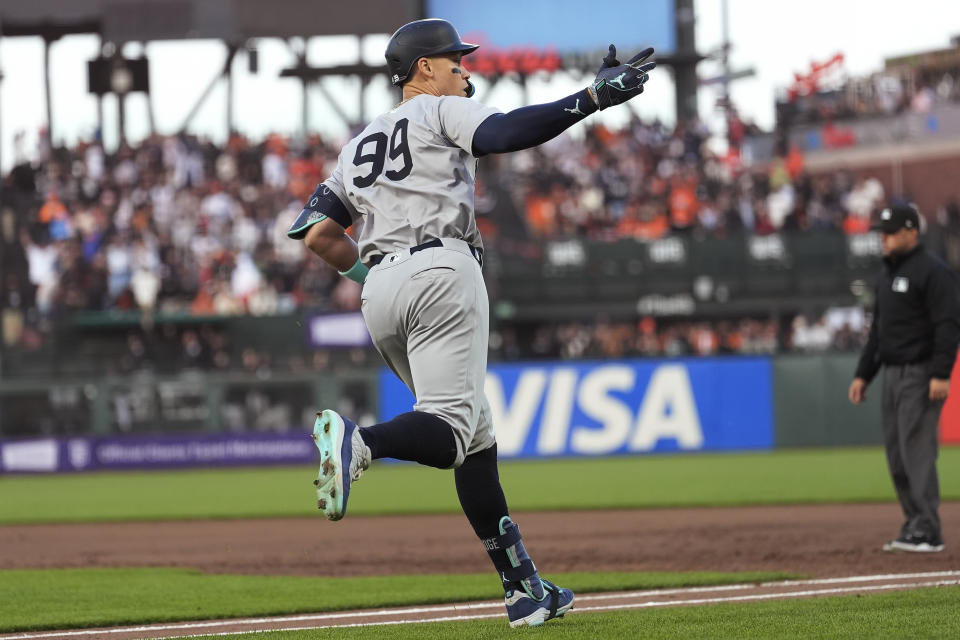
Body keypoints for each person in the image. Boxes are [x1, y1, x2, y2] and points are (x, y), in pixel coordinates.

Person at [286, 18, 655, 627]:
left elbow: (317, 234)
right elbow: (506, 131)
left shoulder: (358, 146)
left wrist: (373, 278)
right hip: (441, 271)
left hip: (380, 291)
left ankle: (523, 589)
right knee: (452, 431)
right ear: (424, 69)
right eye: (456, 62)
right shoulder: (434, 109)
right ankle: (361, 443)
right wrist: (591, 98)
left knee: (474, 442)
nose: (466, 71)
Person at [848, 204, 960, 553]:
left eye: (890, 232)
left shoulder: (933, 272)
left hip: (921, 371)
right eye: (881, 233)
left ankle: (928, 529)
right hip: (893, 374)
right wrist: (864, 374)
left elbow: (948, 325)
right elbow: (878, 334)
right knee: (897, 454)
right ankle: (914, 523)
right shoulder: (885, 275)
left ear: (912, 232)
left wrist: (941, 373)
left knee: (916, 449)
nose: (883, 239)